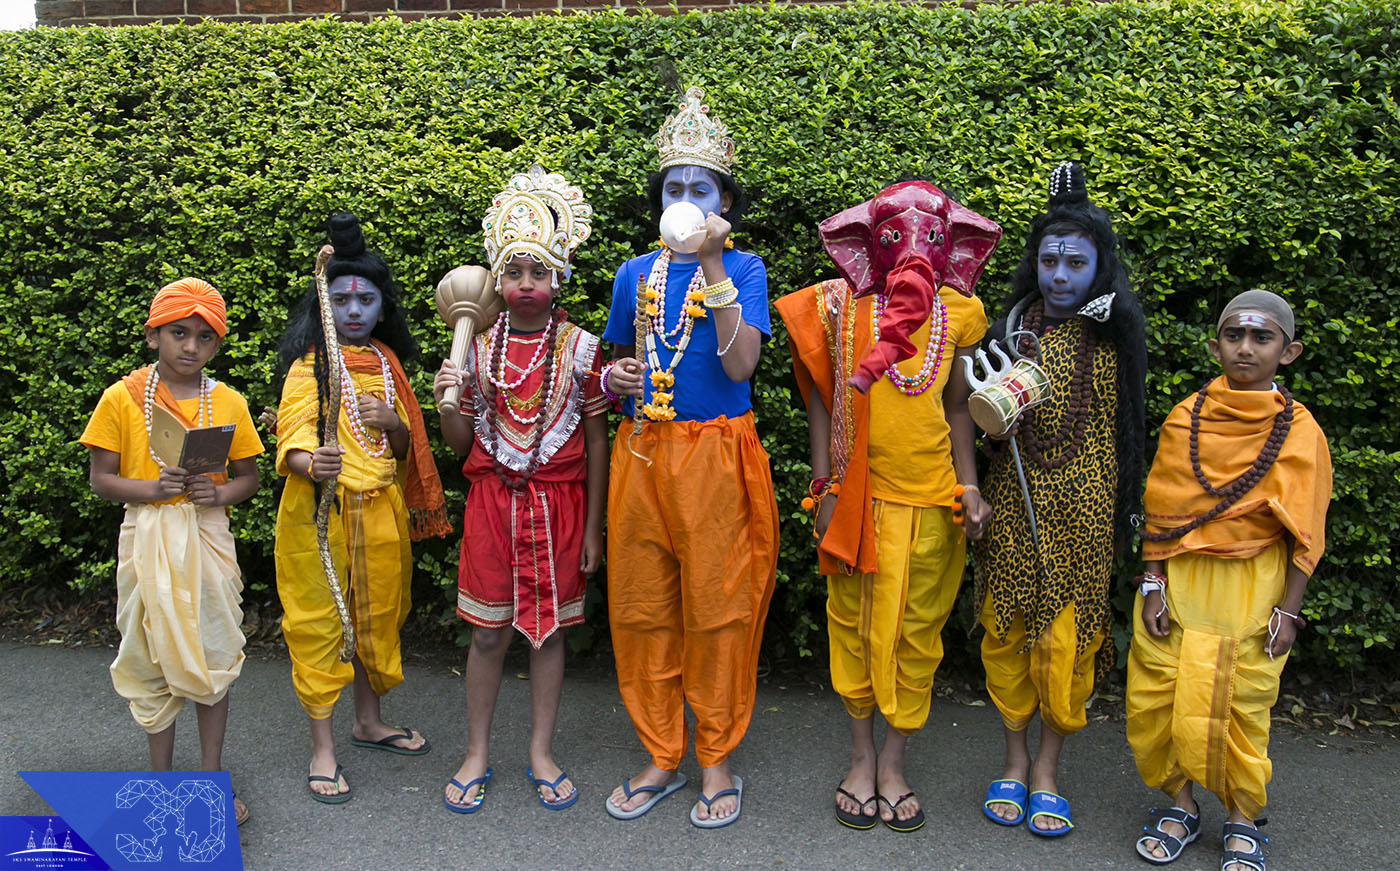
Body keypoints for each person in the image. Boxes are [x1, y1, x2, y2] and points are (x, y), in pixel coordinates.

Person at [774, 181, 1001, 832]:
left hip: (932, 505)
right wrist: (822, 486)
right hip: (857, 503)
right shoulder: (841, 304)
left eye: (930, 236)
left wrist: (971, 485)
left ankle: (894, 761)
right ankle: (859, 756)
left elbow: (957, 407)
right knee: (852, 625)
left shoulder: (959, 310)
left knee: (915, 635)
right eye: (895, 235)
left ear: (952, 246)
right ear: (865, 245)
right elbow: (822, 401)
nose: (913, 248)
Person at [601, 86, 778, 828]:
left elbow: (741, 367)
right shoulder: (632, 274)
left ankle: (716, 757)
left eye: (698, 188)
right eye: (673, 188)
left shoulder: (744, 270)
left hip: (716, 460)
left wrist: (710, 262)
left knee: (718, 611)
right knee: (643, 609)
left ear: (723, 202)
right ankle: (661, 753)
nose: (684, 197)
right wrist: (615, 381)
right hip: (641, 453)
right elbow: (620, 366)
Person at [1128, 289, 1330, 870]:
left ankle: (1242, 817)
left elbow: (1306, 532)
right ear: (1214, 345)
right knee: (1158, 697)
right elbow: (1162, 508)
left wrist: (1290, 611)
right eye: (1234, 337)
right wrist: (1152, 582)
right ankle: (1181, 805)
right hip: (1181, 583)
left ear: (1287, 352)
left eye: (1261, 338)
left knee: (1243, 701)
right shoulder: (1185, 418)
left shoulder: (1300, 432)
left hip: (1255, 583)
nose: (1246, 349)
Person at [974, 162, 1147, 836]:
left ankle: (1048, 768)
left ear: (1098, 265)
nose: (1060, 274)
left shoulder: (1114, 332)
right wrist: (998, 430)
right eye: (1049, 259)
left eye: (1076, 261)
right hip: (1017, 505)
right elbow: (986, 420)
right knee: (1007, 633)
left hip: (1087, 512)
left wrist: (1128, 515)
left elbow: (1131, 427)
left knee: (1066, 645)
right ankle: (1014, 763)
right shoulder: (1016, 327)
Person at [432, 167, 608, 814]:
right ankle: (476, 750)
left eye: (538, 272)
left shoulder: (584, 350)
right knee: (485, 635)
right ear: (498, 281)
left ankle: (540, 748)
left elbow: (595, 444)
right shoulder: (475, 349)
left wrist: (593, 528)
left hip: (559, 509)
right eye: (514, 273)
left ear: (559, 277)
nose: (526, 285)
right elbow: (459, 444)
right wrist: (446, 399)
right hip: (490, 507)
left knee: (551, 635)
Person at [272, 213, 451, 804]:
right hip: (318, 518)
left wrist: (394, 423)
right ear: (325, 304)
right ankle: (323, 748)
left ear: (381, 308)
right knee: (320, 624)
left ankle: (368, 721)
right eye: (342, 298)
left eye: (366, 300)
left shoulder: (389, 366)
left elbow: (404, 449)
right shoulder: (311, 366)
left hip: (380, 510)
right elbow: (294, 431)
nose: (353, 310)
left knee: (377, 619)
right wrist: (308, 463)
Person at [80, 277, 264, 827]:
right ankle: (161, 786)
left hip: (207, 538)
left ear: (217, 345)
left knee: (212, 654)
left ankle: (210, 782)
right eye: (178, 333)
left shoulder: (227, 400)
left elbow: (248, 478)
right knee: (152, 655)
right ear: (152, 335)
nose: (190, 347)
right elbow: (100, 479)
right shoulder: (121, 397)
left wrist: (219, 492)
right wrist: (153, 490)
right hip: (147, 538)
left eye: (204, 338)